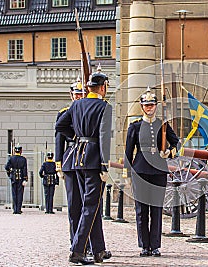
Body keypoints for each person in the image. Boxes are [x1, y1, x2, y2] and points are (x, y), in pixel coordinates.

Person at [55, 70, 112, 265]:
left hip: (77, 157)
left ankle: (98, 250)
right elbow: (104, 138)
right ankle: (77, 250)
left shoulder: (76, 104)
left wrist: (76, 138)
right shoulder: (105, 106)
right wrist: (105, 166)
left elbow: (60, 126)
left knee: (91, 206)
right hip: (94, 160)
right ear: (103, 87)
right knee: (90, 206)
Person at [123, 87, 180, 257]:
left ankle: (155, 245)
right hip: (140, 170)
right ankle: (144, 245)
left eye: (152, 105)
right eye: (146, 105)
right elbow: (128, 152)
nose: (149, 108)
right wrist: (127, 173)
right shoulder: (134, 126)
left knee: (156, 209)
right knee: (141, 210)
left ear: (156, 106)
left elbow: (176, 143)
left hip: (158, 170)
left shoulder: (162, 125)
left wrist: (169, 152)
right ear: (142, 107)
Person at [55, 80, 84, 244]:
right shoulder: (65, 112)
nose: (79, 97)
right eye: (76, 94)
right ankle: (75, 240)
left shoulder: (88, 110)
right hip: (71, 157)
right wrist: (58, 163)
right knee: (74, 204)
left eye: (81, 94)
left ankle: (87, 241)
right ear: (71, 95)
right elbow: (59, 139)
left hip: (87, 157)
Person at [5, 144, 28, 214]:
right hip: (21, 178)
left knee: (14, 193)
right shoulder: (23, 159)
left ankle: (15, 209)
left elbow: (6, 167)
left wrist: (10, 173)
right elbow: (25, 169)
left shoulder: (11, 158)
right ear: (21, 151)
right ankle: (18, 209)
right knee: (20, 194)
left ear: (14, 150)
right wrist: (25, 179)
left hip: (14, 177)